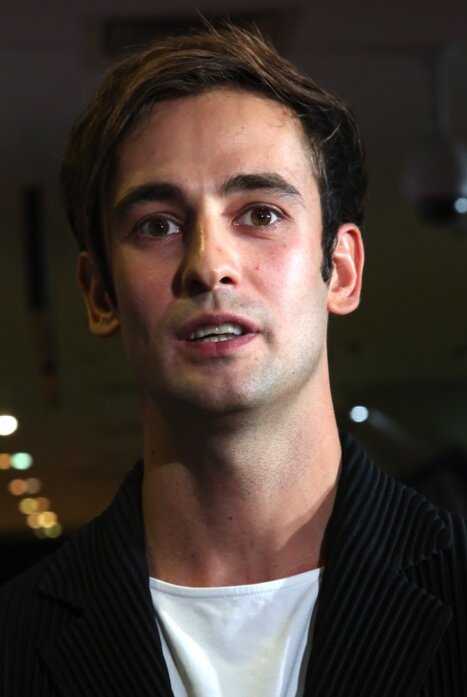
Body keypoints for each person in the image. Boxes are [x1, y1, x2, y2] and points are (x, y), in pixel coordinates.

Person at [1, 23, 466, 697]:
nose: (208, 264)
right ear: (99, 294)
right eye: (157, 225)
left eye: (260, 214)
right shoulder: (14, 641)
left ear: (340, 271)